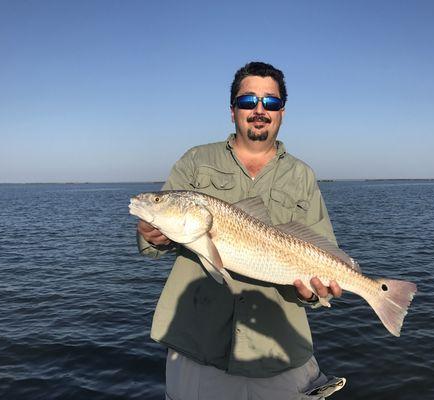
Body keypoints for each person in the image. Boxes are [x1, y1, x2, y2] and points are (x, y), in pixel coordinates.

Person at [136, 61, 343, 400]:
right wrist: (151, 234)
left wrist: (315, 293)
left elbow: (324, 256)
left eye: (270, 102)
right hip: (198, 349)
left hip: (278, 354)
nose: (259, 110)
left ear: (281, 113)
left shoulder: (302, 176)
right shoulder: (195, 161)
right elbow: (155, 240)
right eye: (248, 101)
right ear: (232, 110)